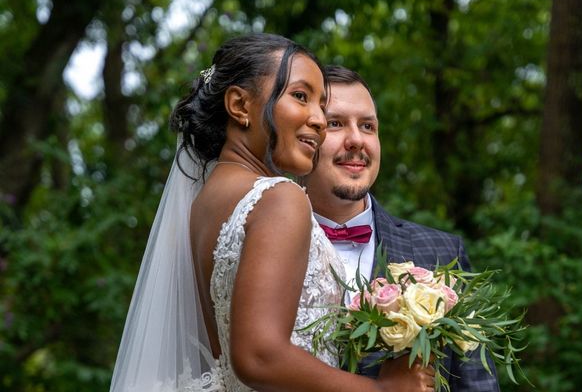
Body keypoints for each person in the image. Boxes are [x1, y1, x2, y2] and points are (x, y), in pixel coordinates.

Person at [109, 34, 435, 392]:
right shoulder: (280, 199)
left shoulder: (205, 203)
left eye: (320, 105)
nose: (319, 120)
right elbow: (259, 357)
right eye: (300, 96)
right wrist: (382, 389)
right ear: (239, 105)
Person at [304, 65, 501, 391]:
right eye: (335, 123)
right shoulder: (266, 246)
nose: (356, 140)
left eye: (368, 126)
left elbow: (477, 383)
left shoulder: (442, 252)